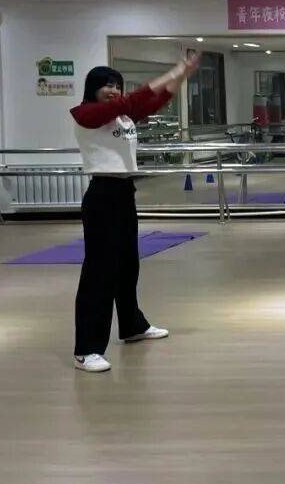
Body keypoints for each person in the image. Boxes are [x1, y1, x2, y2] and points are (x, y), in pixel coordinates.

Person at [69, 54, 200, 373]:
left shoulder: (123, 117)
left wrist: (181, 77)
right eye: (107, 85)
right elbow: (134, 99)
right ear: (93, 88)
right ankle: (87, 349)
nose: (113, 90)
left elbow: (156, 100)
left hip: (124, 193)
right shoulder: (85, 113)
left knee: (128, 265)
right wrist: (173, 69)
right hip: (102, 195)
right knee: (100, 272)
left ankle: (131, 326)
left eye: (117, 85)